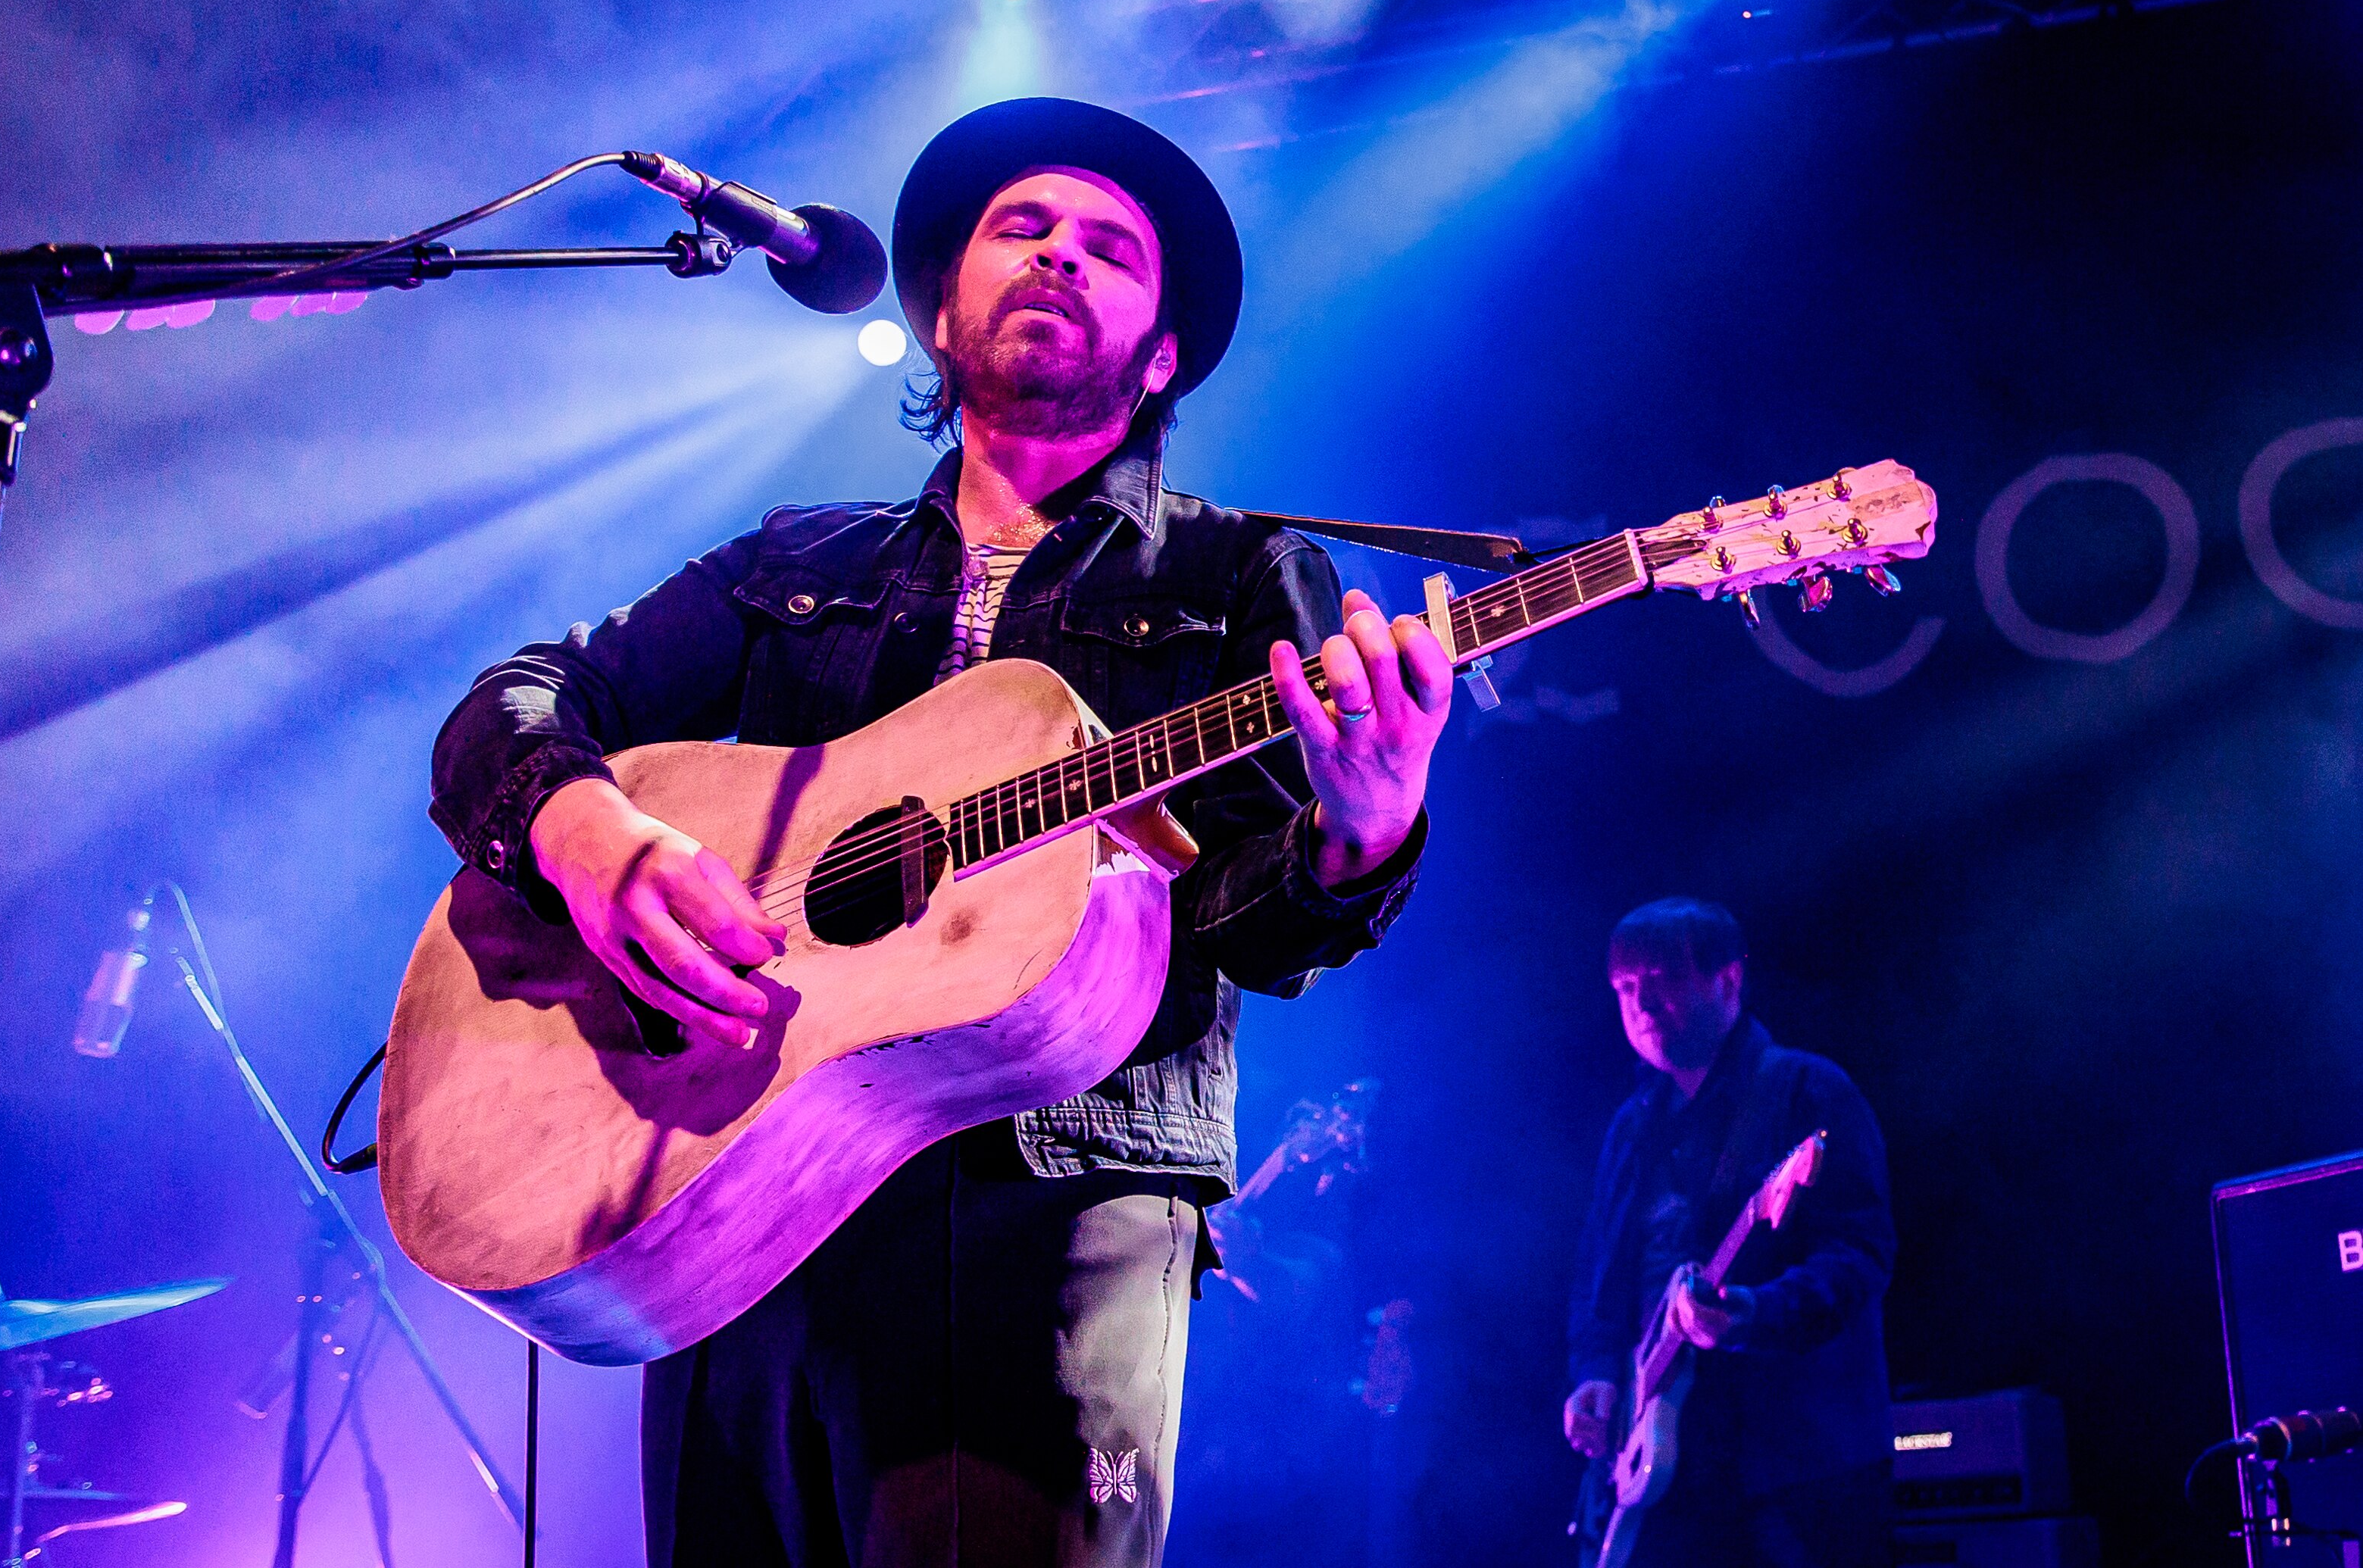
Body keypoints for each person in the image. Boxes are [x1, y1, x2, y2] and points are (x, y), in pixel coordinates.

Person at [430, 97, 1455, 1566]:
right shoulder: (795, 559)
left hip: (1058, 1194)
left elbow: (1250, 918)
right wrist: (590, 834)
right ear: (938, 313)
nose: (1059, 255)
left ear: (1164, 352)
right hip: (746, 1172)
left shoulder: (1241, 574)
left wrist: (1364, 827)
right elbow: (519, 700)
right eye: (1020, 227)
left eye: (1110, 247)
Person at [1563, 899, 1896, 1568]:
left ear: (1729, 979)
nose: (1641, 1003)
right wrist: (1596, 1374)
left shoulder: (1806, 1090)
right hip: (1659, 1473)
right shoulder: (1631, 1127)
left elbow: (1859, 1255)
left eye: (1663, 979)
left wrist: (1752, 1313)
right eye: (1625, 987)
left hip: (1789, 1466)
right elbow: (1600, 1277)